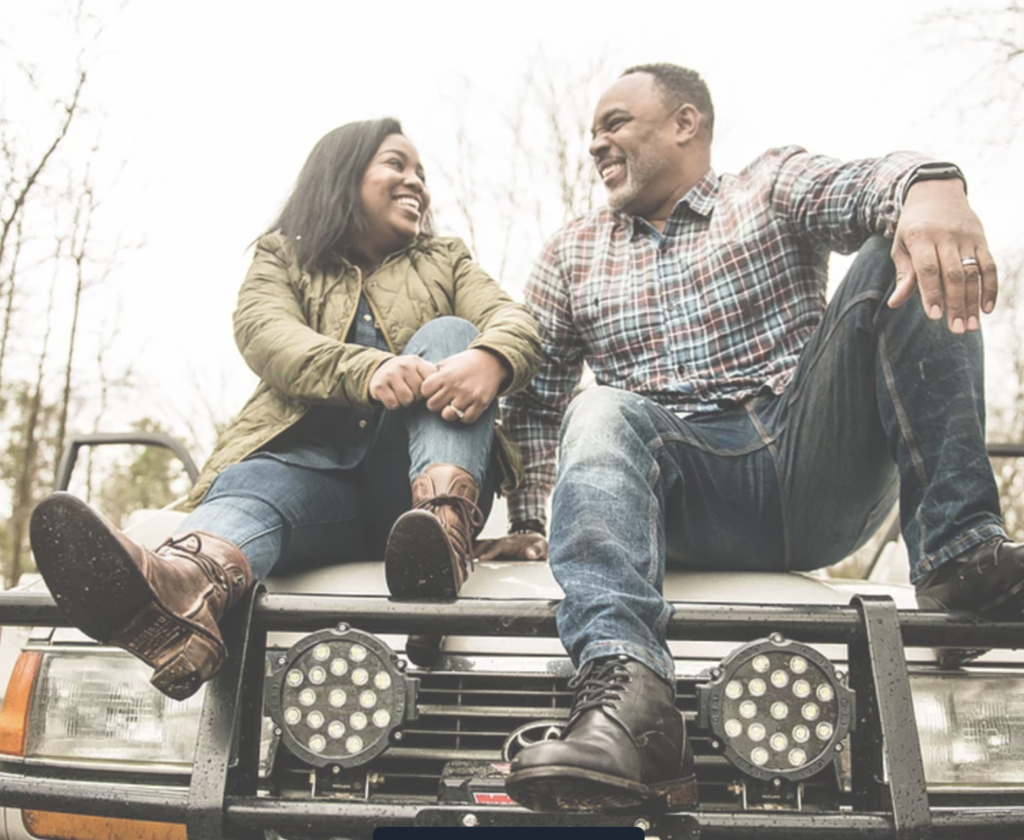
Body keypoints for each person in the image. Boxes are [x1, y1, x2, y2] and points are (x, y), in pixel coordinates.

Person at [481, 63, 1023, 813]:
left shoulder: (767, 186)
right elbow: (538, 401)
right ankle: (628, 693)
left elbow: (861, 183)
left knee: (899, 249)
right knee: (600, 407)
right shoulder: (574, 249)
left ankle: (959, 547)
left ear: (684, 123)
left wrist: (931, 187)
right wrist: (533, 520)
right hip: (680, 489)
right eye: (592, 132)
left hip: (808, 465)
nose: (596, 144)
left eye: (614, 123)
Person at [29, 118, 540, 702]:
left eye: (422, 173)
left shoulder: (445, 259)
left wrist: (493, 358)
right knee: (252, 478)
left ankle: (441, 540)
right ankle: (182, 599)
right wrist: (367, 369)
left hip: (408, 485)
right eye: (397, 165)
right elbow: (266, 334)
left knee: (454, 332)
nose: (417, 182)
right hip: (314, 484)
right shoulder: (282, 258)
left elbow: (514, 317)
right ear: (344, 176)